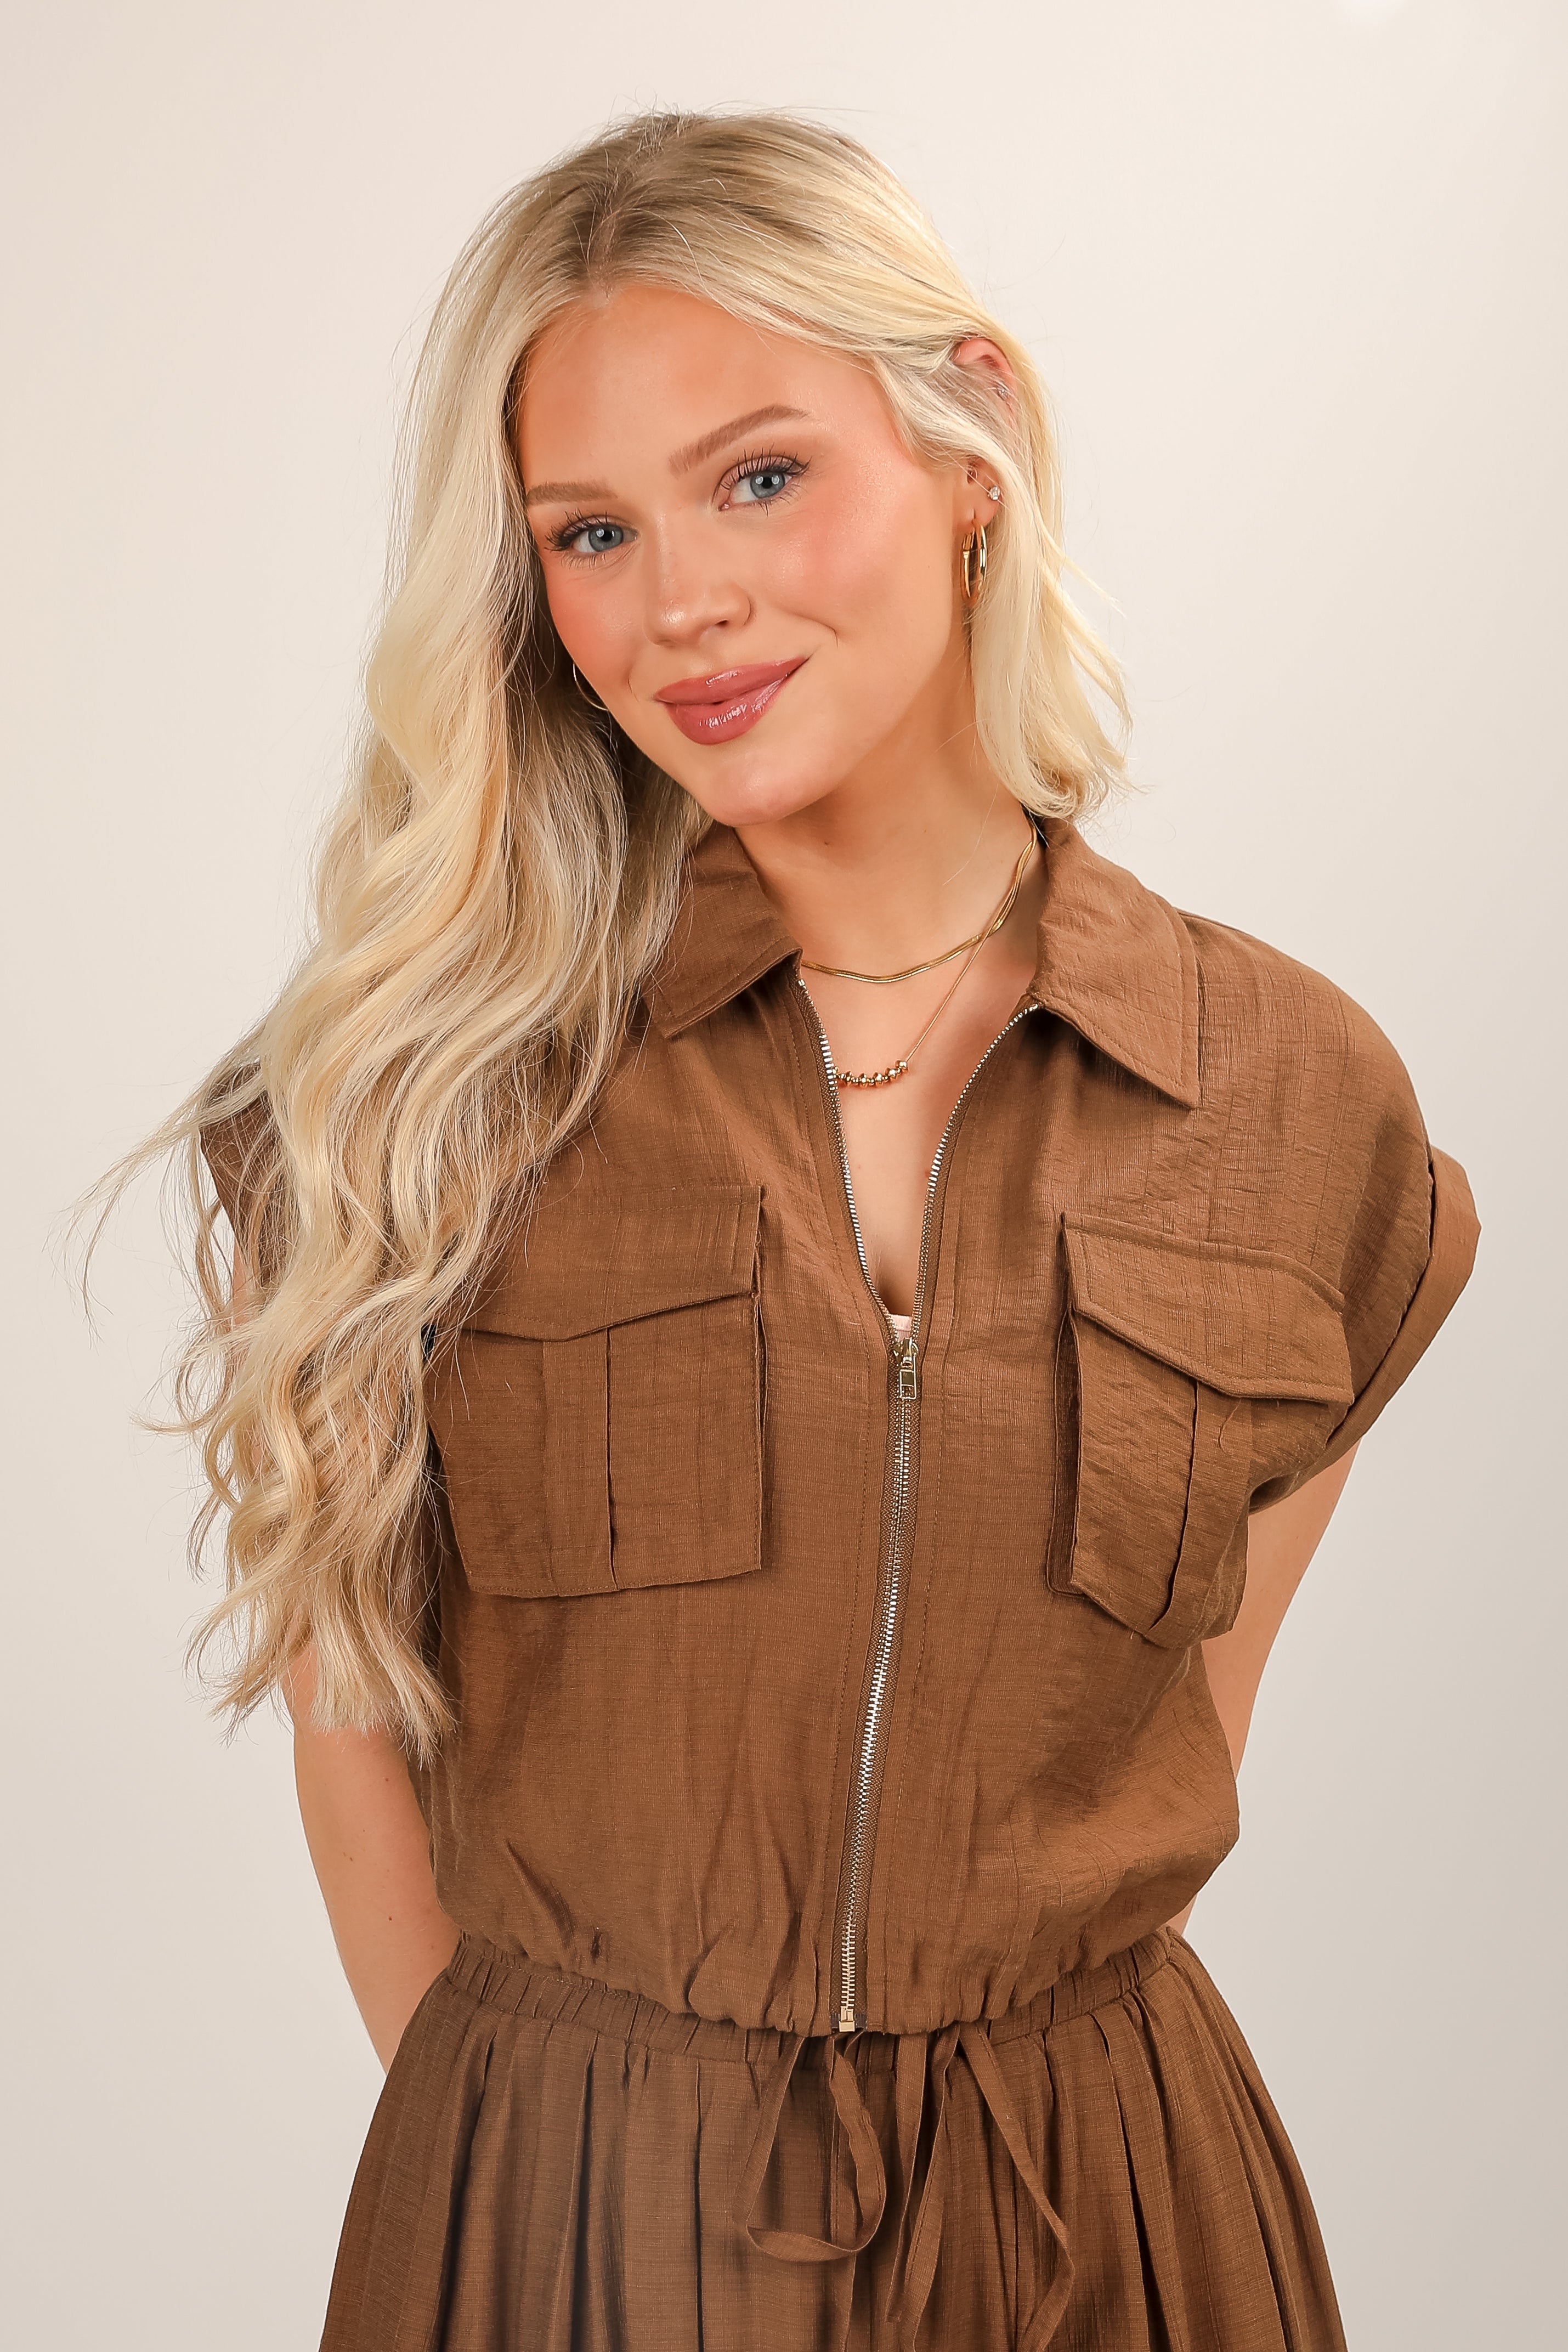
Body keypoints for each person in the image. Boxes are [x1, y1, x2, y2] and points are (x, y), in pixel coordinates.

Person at [159, 109, 1477, 2351]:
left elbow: (1164, 1748)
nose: (677, 601)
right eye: (590, 532)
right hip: (569, 2217)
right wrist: (540, 2181)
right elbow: (353, 1732)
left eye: (758, 476)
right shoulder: (419, 1096)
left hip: (1118, 2221)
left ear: (971, 447)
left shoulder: (1287, 1099)